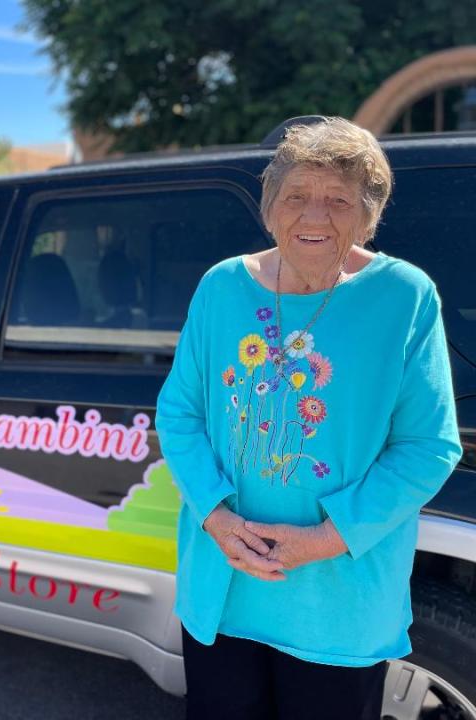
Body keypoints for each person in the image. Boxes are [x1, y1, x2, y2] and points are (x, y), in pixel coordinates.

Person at [155, 117, 462, 720]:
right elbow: (180, 412)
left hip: (337, 603)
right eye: (297, 196)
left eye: (339, 200)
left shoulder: (404, 296)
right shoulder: (221, 287)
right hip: (225, 583)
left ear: (368, 216)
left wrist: (324, 539)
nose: (315, 217)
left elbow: (428, 445)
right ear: (271, 209)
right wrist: (216, 518)